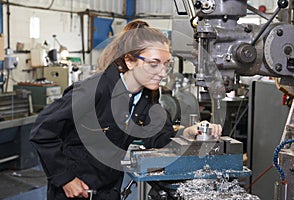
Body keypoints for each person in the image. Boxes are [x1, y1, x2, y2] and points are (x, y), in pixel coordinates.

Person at [30, 21, 222, 200]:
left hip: (110, 187)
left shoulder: (148, 96)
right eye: (154, 64)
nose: (163, 73)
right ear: (130, 61)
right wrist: (66, 179)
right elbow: (43, 131)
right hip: (75, 189)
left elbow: (157, 138)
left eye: (166, 64)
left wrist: (187, 132)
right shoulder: (93, 90)